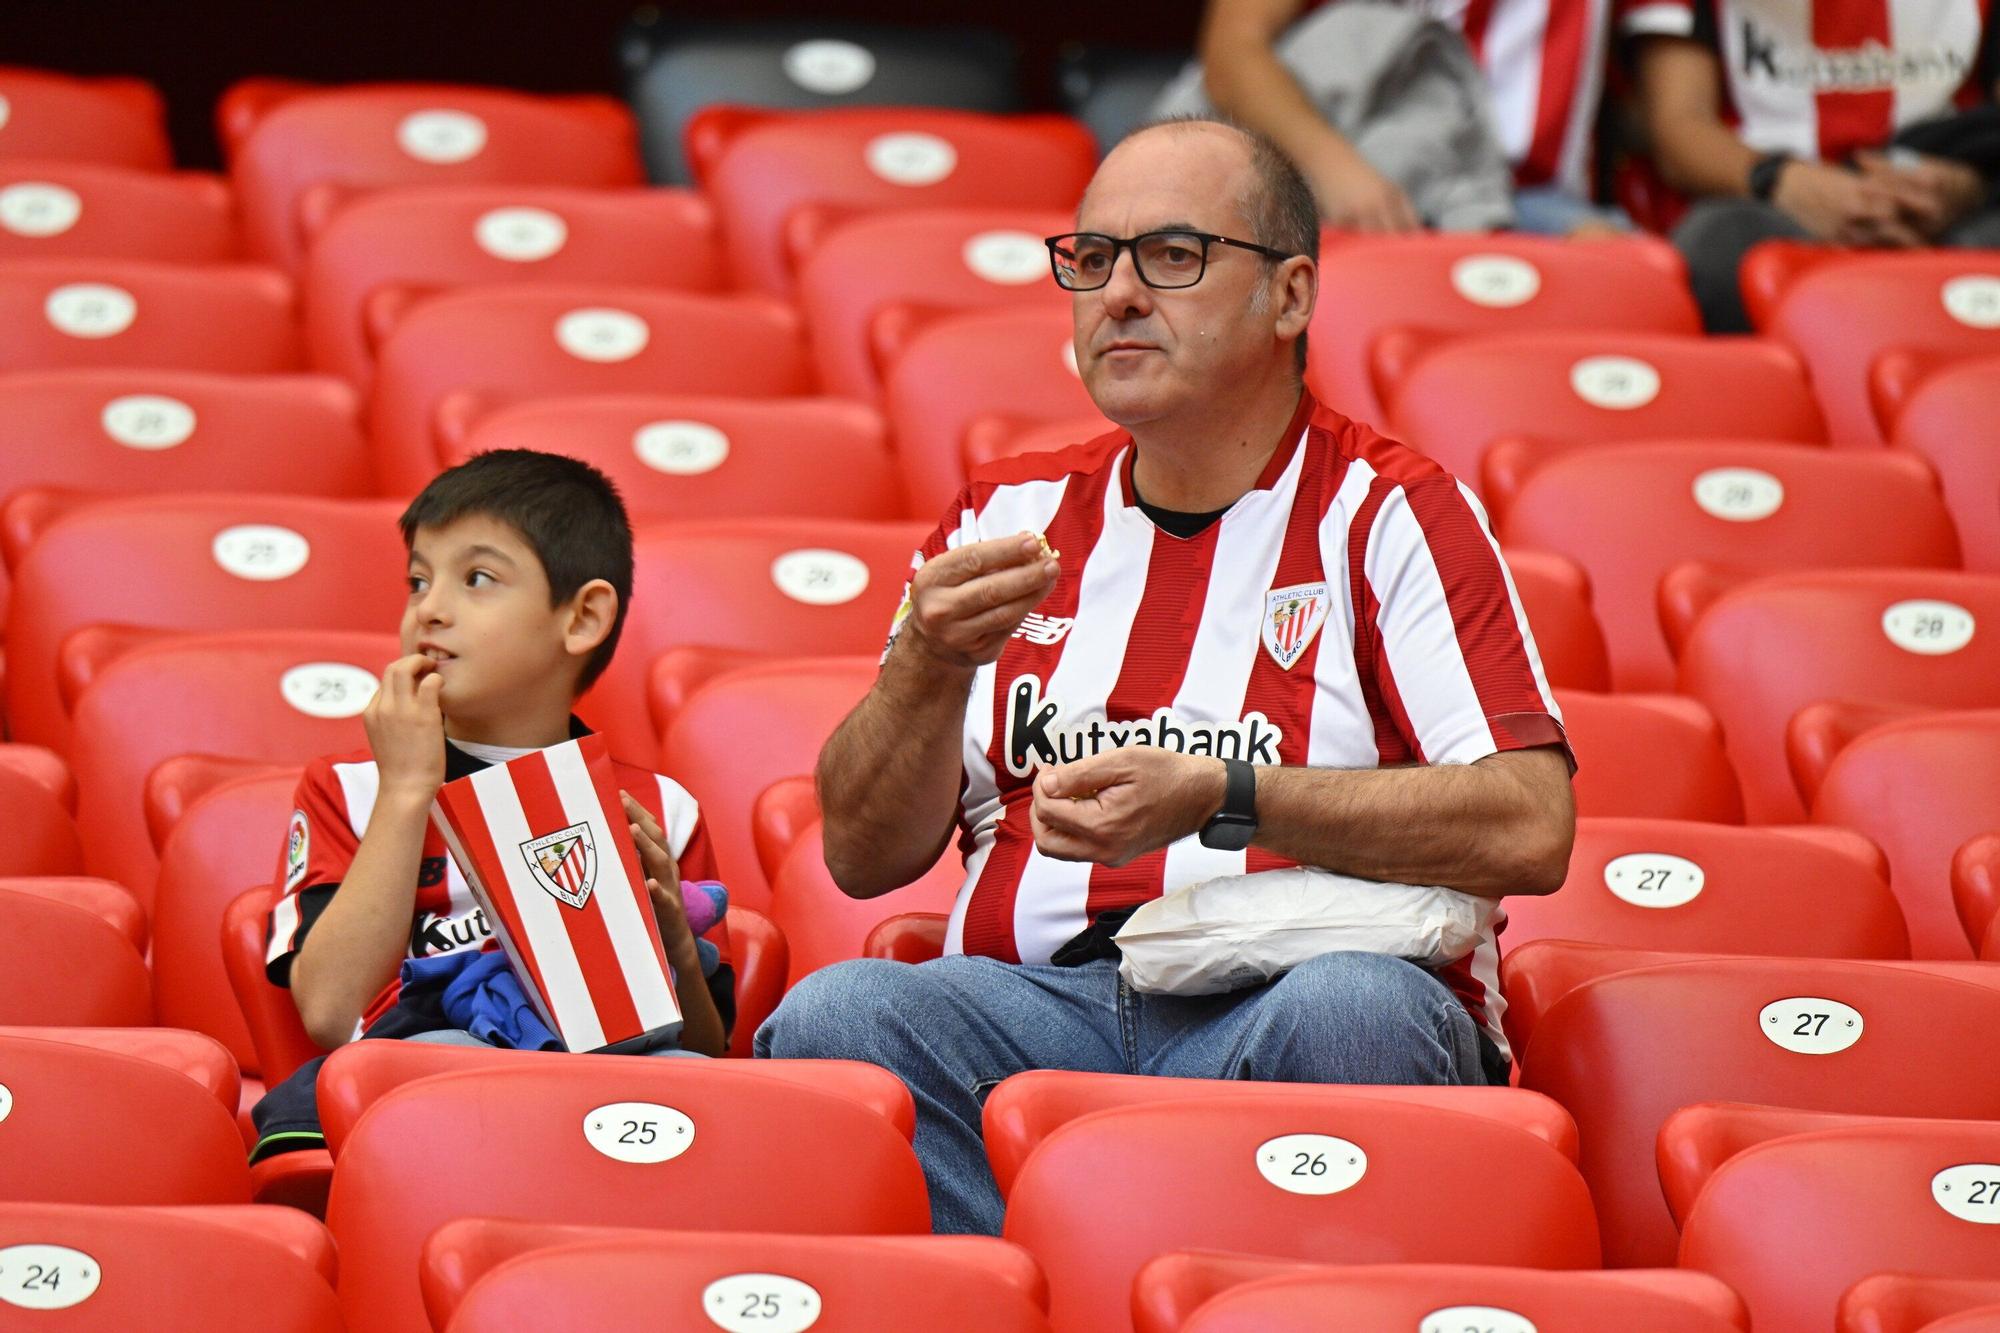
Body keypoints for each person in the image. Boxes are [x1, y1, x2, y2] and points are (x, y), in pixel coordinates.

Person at [757, 118, 1577, 1235]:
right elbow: (860, 854)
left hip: (1289, 995)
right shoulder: (1006, 514)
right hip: (1028, 1005)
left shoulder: (1390, 513)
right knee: (839, 1016)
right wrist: (926, 666)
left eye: (1173, 256)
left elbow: (1530, 824)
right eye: (1091, 259)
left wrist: (1231, 797)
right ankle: (1023, 1299)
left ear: (1288, 296)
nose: (1118, 295)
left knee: (1355, 1011)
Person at [249, 449, 731, 1163]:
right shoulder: (352, 788)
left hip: (608, 1100)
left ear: (582, 617)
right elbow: (329, 1011)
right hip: (423, 1095)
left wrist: (678, 950)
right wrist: (409, 789)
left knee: (701, 1101)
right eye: (417, 580)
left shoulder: (659, 806)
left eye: (476, 579)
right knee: (441, 1060)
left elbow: (705, 1050)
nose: (429, 609)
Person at [1626, 0, 2000, 330]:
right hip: (1770, 201)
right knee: (1715, 246)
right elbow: (1678, 130)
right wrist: (1784, 182)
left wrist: (1970, 185)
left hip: (1947, 200)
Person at [1193, 0, 1622, 234]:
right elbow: (1232, 55)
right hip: (1345, 185)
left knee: (1631, 276)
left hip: (1534, 203)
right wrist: (1335, 170)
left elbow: (1678, 118)